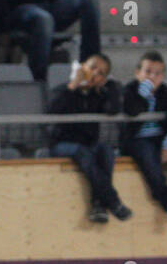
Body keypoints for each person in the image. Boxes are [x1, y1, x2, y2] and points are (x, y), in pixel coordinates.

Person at [49, 53, 130, 224]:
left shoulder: (99, 94)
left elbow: (113, 109)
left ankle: (98, 206)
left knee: (106, 151)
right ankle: (113, 201)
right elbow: (52, 111)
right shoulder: (64, 89)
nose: (94, 74)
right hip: (62, 144)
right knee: (84, 152)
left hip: (89, 144)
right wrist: (74, 85)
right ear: (82, 67)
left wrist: (112, 86)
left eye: (100, 73)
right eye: (92, 67)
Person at [121, 51, 167, 219]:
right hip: (138, 139)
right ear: (137, 73)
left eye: (157, 73)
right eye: (148, 72)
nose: (152, 77)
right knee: (150, 161)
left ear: (162, 76)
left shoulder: (164, 91)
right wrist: (143, 94)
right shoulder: (130, 90)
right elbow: (132, 110)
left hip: (159, 138)